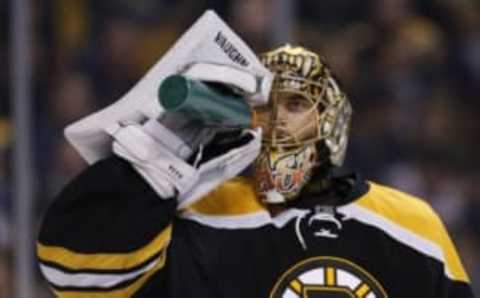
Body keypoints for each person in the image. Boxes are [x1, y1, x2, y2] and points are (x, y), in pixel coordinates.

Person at [37, 45, 474, 298]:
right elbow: (74, 276)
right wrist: (144, 177)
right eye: (261, 107)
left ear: (333, 121)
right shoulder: (198, 212)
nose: (274, 120)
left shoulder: (410, 224)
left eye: (296, 104)